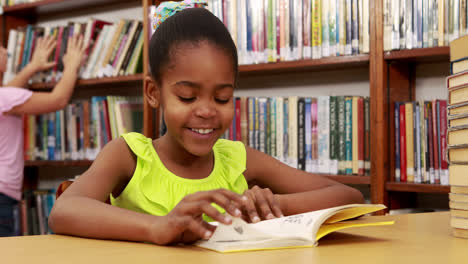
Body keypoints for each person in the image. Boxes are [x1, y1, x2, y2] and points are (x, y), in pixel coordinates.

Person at [49, 3, 364, 245]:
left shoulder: (237, 160)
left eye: (223, 98)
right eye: (187, 97)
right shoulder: (130, 155)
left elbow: (349, 197)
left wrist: (270, 205)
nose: (207, 111)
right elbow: (63, 210)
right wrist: (159, 227)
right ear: (153, 93)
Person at [0, 34, 86, 236]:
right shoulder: (5, 97)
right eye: (1, 48)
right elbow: (58, 100)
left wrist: (32, 67)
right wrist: (72, 65)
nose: (6, 51)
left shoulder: (4, 96)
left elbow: (8, 94)